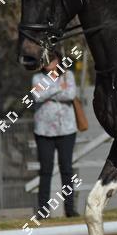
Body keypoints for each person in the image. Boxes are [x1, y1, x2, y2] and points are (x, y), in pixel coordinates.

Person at [31, 57, 78, 217]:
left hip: (67, 130)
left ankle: (70, 209)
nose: (48, 63)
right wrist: (58, 89)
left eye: (51, 59)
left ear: (58, 60)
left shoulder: (68, 75)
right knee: (45, 170)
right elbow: (37, 96)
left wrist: (48, 92)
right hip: (43, 131)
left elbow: (71, 94)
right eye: (45, 60)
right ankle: (43, 211)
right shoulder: (37, 78)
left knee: (67, 169)